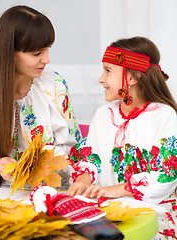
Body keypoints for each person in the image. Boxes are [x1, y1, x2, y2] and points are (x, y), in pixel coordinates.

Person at [66, 37, 177, 239]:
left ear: (132, 77)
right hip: (110, 213)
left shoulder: (164, 115)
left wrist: (116, 190)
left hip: (153, 218)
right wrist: (84, 178)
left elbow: (166, 175)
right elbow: (90, 157)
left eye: (108, 71)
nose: (101, 79)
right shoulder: (103, 113)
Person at [0, 5, 81, 187]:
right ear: (9, 52)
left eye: (47, 48)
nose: (46, 59)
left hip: (45, 190)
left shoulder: (54, 85)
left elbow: (74, 149)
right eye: (37, 53)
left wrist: (47, 159)